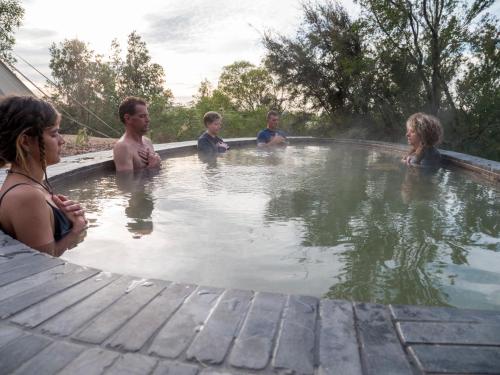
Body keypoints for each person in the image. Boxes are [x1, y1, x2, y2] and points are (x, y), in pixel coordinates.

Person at [0, 95, 87, 256]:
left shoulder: (34, 184)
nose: (62, 141)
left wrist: (72, 218)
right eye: (54, 134)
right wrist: (77, 230)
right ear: (25, 142)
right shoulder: (26, 196)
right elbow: (43, 265)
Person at [113, 97, 161, 172]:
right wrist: (152, 167)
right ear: (128, 118)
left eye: (147, 115)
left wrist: (157, 166)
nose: (148, 120)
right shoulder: (123, 147)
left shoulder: (148, 142)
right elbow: (126, 182)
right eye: (142, 116)